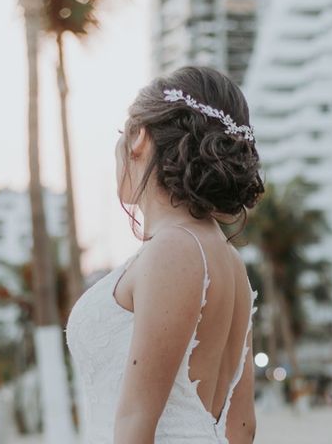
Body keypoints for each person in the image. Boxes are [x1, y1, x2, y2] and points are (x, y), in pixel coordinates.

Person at [65, 66, 265, 443]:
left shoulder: (174, 248)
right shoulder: (228, 260)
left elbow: (135, 422)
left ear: (139, 137)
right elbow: (242, 426)